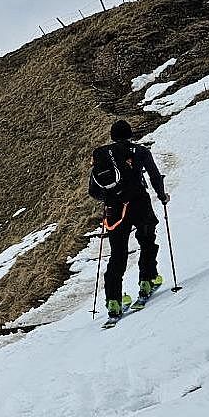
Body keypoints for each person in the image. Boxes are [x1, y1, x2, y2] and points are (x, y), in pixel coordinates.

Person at [89, 118, 169, 317]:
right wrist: (161, 195)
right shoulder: (140, 152)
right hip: (140, 204)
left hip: (115, 211)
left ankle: (114, 301)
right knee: (147, 241)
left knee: (118, 254)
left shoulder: (103, 156)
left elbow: (94, 191)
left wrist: (112, 197)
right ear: (130, 134)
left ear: (112, 137)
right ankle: (147, 280)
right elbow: (154, 176)